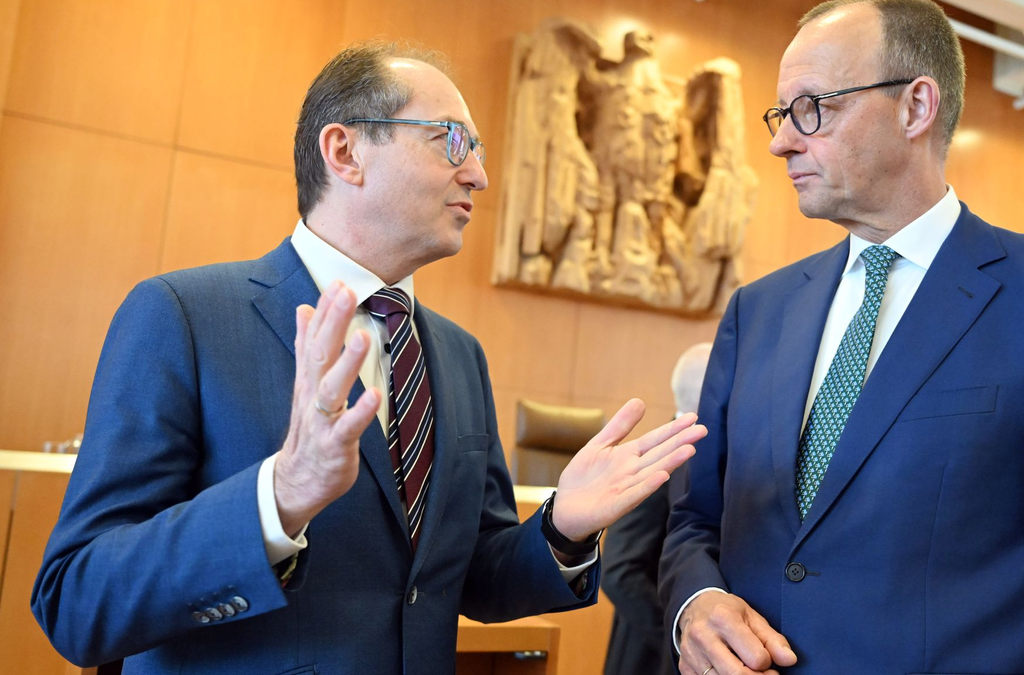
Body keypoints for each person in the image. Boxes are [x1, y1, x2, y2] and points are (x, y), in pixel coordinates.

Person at [30, 42, 706, 675]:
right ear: (345, 151)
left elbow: (470, 578)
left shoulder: (457, 355)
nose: (479, 172)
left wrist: (562, 525)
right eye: (451, 140)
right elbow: (77, 600)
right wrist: (279, 500)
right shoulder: (183, 316)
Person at [659, 1, 1024, 674]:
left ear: (915, 107)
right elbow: (694, 523)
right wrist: (697, 600)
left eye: (812, 108)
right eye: (781, 114)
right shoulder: (756, 312)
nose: (780, 141)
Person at [603, 342, 712, 675]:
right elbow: (620, 572)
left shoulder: (706, 455)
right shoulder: (656, 462)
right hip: (650, 658)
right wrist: (681, 636)